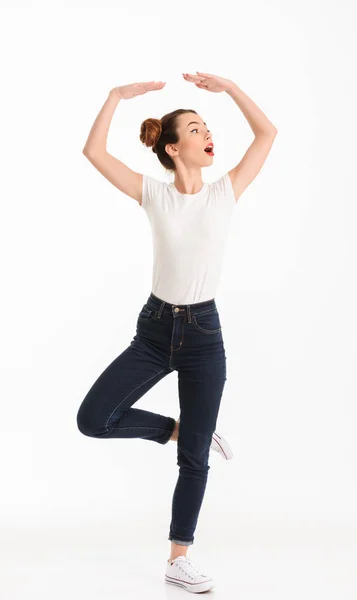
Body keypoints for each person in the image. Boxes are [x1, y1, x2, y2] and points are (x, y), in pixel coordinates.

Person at [77, 71, 278, 593]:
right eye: (195, 128)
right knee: (94, 419)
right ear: (172, 148)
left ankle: (177, 558)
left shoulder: (225, 193)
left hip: (204, 335)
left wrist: (232, 90)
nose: (208, 133)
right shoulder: (152, 195)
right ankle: (179, 429)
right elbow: (94, 152)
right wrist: (115, 96)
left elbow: (267, 134)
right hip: (154, 331)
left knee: (194, 461)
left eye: (207, 126)